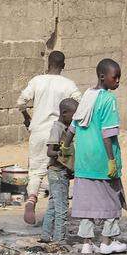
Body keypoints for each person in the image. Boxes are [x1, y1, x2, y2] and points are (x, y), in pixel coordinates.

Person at [61, 58, 127, 255]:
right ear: (102, 77)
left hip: (83, 161)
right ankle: (107, 242)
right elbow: (108, 134)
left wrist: (65, 147)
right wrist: (111, 160)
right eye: (115, 78)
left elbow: (73, 127)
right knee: (112, 201)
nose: (117, 82)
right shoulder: (108, 100)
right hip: (102, 161)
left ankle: (87, 244)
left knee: (87, 204)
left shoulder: (87, 96)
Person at [17, 50, 81, 225]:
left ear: (48, 64)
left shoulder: (37, 81)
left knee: (36, 170)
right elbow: (79, 104)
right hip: (59, 132)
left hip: (37, 131)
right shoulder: (68, 84)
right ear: (63, 65)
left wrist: (27, 118)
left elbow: (21, 101)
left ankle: (31, 200)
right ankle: (55, 207)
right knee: (57, 171)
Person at [39, 98, 78, 243]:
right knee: (62, 208)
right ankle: (59, 239)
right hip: (57, 172)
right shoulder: (58, 128)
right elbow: (50, 152)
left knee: (53, 206)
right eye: (74, 116)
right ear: (64, 113)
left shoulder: (65, 128)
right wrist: (64, 154)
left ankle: (45, 235)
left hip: (59, 172)